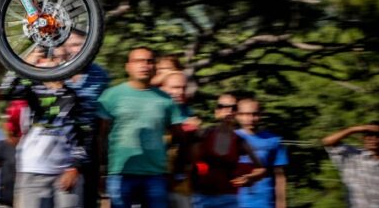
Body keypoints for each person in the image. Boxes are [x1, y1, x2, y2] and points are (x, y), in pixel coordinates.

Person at [97, 47, 186, 208]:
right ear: (128, 66)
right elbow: (100, 136)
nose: (144, 65)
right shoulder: (111, 96)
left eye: (149, 61)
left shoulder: (166, 100)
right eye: (138, 61)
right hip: (120, 173)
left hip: (156, 175)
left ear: (154, 67)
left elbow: (180, 138)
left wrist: (175, 172)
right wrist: (101, 170)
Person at [1, 49, 87, 208]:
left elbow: (82, 137)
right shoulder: (31, 89)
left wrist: (75, 167)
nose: (59, 62)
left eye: (64, 58)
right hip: (33, 171)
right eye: (54, 58)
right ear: (44, 61)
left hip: (65, 173)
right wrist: (25, 64)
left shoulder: (73, 97)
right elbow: (6, 90)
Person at [59, 31, 110, 208]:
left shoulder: (100, 75)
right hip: (57, 147)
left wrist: (101, 159)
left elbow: (103, 119)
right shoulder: (53, 70)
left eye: (81, 44)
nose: (77, 49)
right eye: (72, 45)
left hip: (88, 146)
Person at [191, 93, 265, 208]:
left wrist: (249, 178)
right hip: (202, 198)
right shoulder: (203, 134)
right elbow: (189, 160)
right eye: (223, 107)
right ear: (216, 111)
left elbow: (261, 169)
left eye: (233, 108)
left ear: (237, 113)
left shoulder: (239, 141)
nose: (228, 110)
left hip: (228, 199)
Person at [235, 97, 288, 208]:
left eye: (255, 114)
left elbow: (279, 176)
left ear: (261, 114)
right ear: (237, 115)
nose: (251, 118)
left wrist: (281, 204)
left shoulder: (274, 140)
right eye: (246, 114)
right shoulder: (230, 138)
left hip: (264, 201)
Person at [160, 72, 200, 208]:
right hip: (157, 176)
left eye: (183, 88)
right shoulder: (156, 110)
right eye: (175, 87)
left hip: (181, 180)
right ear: (162, 89)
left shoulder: (187, 111)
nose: (180, 92)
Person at [320, 122, 379, 208]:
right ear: (363, 138)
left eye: (378, 135)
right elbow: (327, 141)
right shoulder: (352, 155)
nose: (373, 139)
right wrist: (355, 129)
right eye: (369, 135)